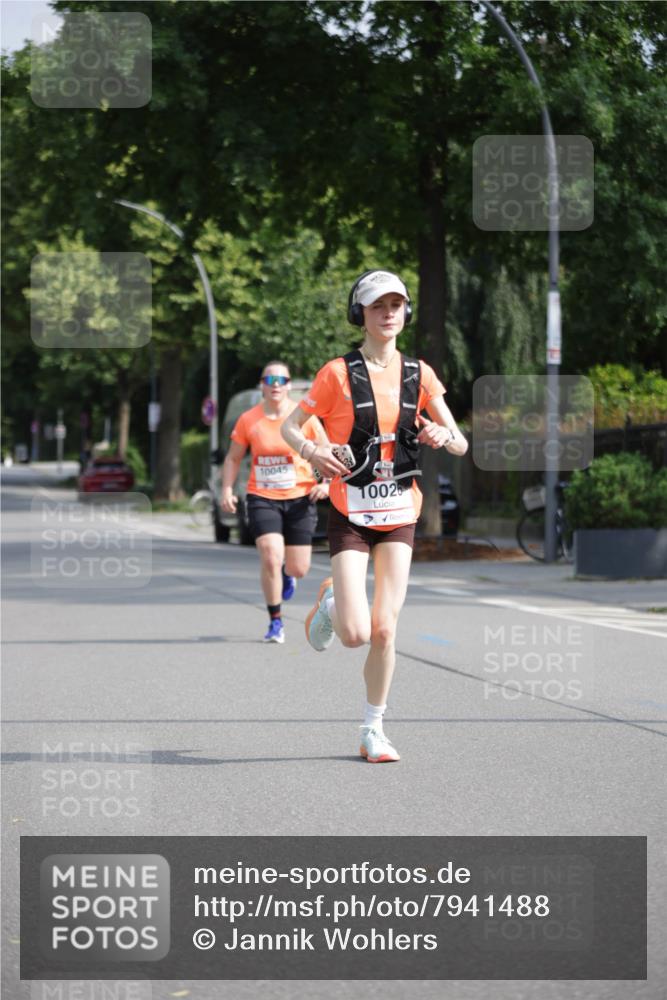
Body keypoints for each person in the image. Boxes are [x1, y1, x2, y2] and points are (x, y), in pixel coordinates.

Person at [281, 270, 468, 762]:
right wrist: (313, 451)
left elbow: (460, 440)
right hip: (351, 512)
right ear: (359, 314)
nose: (388, 313)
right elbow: (290, 426)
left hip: (400, 511)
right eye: (377, 305)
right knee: (355, 634)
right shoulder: (337, 374)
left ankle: (373, 730)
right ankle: (330, 605)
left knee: (385, 629)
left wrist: (440, 437)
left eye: (396, 305)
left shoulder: (420, 374)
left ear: (406, 312)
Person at [221, 361, 329, 643]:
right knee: (270, 555)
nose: (276, 384)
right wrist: (226, 490)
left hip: (300, 499)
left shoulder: (304, 417)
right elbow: (233, 458)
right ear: (262, 385)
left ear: (289, 385)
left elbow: (327, 451)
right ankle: (275, 622)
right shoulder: (249, 419)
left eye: (282, 379)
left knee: (299, 568)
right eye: (270, 379)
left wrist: (326, 483)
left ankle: (288, 573)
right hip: (262, 497)